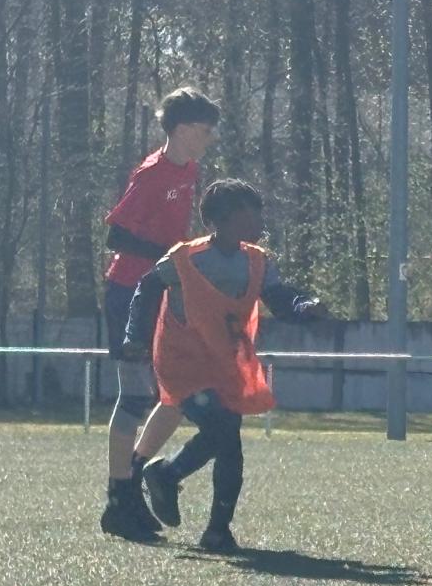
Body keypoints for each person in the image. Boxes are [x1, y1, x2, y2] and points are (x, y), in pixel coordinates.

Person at [123, 179, 328, 552]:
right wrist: (135, 336)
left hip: (221, 362)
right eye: (249, 215)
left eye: (258, 214)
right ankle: (175, 485)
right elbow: (147, 288)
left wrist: (304, 308)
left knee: (228, 438)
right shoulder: (187, 257)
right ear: (219, 220)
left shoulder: (256, 260)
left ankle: (210, 523)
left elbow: (279, 297)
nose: (258, 222)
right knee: (223, 428)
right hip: (182, 360)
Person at [99, 87, 218, 541]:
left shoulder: (189, 169)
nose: (209, 138)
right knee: (134, 397)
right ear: (182, 129)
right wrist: (170, 256)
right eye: (204, 130)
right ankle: (118, 501)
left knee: (173, 394)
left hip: (162, 291)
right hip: (129, 294)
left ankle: (131, 482)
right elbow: (115, 238)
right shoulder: (151, 174)